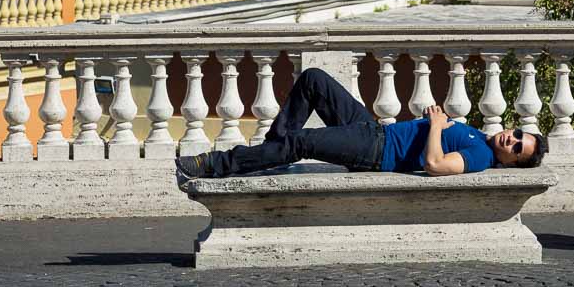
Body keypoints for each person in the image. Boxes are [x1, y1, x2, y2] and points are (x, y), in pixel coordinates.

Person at [175, 67, 546, 188]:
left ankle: (215, 165)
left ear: (512, 163)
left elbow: (434, 166)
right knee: (313, 80)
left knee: (302, 142)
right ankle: (271, 152)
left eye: (517, 149)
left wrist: (435, 125)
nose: (510, 141)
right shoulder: (480, 137)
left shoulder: (481, 156)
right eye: (517, 136)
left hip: (375, 152)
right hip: (373, 130)